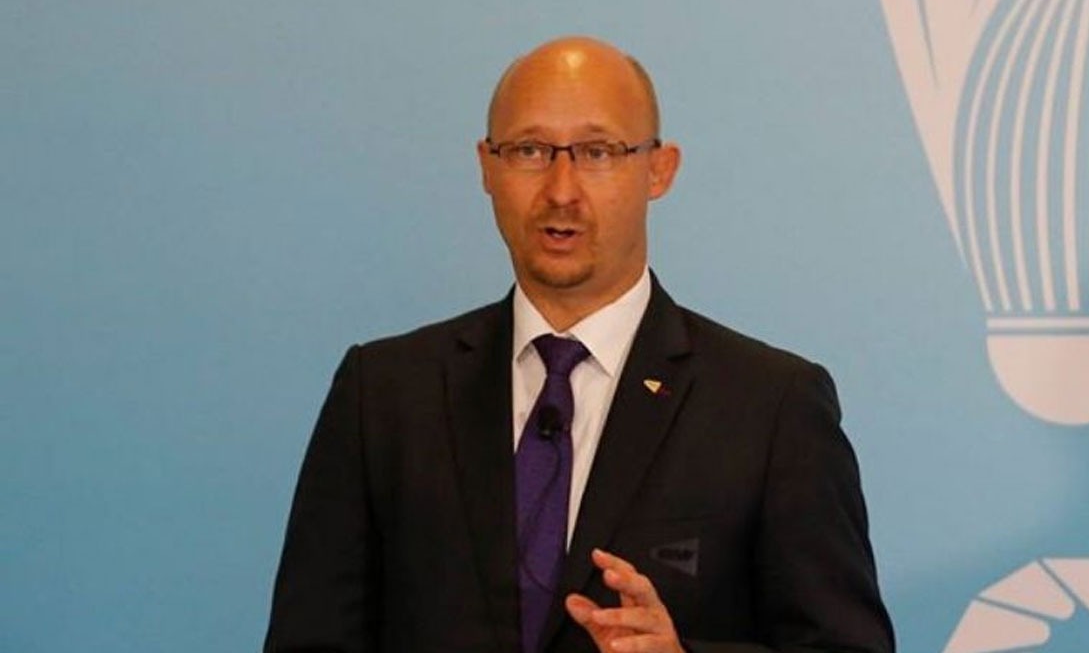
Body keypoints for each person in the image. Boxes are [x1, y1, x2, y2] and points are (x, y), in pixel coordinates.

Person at [264, 36, 894, 653]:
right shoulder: (383, 395)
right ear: (487, 166)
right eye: (530, 150)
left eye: (598, 152)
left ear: (659, 169)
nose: (561, 191)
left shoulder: (771, 406)